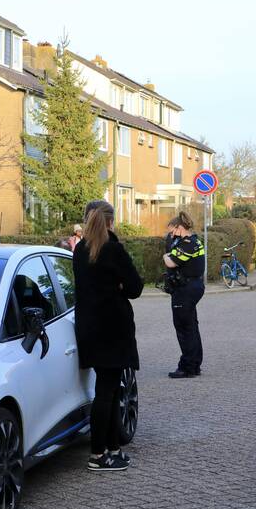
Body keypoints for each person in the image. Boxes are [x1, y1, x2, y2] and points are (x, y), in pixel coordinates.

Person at [72, 200, 143, 472]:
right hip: (114, 328)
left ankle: (112, 449)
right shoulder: (113, 250)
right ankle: (98, 454)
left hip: (90, 327)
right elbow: (135, 287)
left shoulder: (80, 250)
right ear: (111, 221)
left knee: (108, 389)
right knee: (107, 393)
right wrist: (120, 287)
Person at [163, 211, 206, 379]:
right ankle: (194, 364)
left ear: (180, 228)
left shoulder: (187, 243)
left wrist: (166, 254)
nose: (171, 235)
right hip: (191, 287)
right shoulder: (194, 241)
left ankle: (187, 367)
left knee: (184, 328)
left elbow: (171, 262)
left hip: (185, 289)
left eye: (173, 231)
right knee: (191, 326)